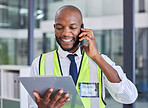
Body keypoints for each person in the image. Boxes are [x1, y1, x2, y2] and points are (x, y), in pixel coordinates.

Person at [29, 5, 138, 108]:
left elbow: (129, 97)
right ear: (54, 28)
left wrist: (96, 57)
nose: (66, 33)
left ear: (82, 28)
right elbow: (32, 104)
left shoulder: (100, 61)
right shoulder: (40, 63)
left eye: (73, 27)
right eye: (59, 27)